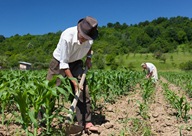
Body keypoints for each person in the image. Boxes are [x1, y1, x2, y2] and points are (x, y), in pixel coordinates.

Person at [39, 16, 99, 133]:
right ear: (78, 30)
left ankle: (86, 122)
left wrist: (89, 58)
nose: (84, 40)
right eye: (83, 37)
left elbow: (90, 48)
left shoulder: (90, 38)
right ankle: (41, 123)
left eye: (87, 38)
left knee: (83, 90)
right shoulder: (67, 36)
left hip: (76, 61)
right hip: (59, 62)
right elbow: (64, 64)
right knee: (50, 91)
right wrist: (73, 81)